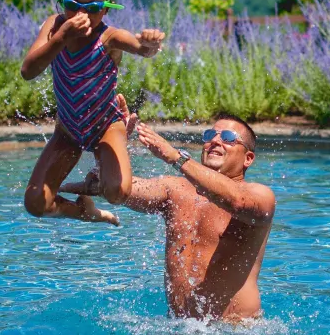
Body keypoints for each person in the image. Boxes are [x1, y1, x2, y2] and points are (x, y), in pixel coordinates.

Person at [63, 102, 277, 322]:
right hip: (181, 332)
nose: (215, 140)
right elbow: (118, 189)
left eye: (229, 138)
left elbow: (237, 202)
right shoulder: (174, 190)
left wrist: (176, 157)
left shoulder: (260, 195)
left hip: (237, 334)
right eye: (210, 134)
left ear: (248, 158)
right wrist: (114, 143)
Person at [20, 0, 166, 225]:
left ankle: (98, 178)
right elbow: (28, 70)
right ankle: (85, 212)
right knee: (35, 203)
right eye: (72, 5)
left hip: (106, 126)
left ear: (107, 7)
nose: (81, 15)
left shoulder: (110, 38)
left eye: (93, 8)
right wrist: (61, 38)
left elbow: (142, 49)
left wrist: (150, 43)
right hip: (68, 130)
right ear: (61, 0)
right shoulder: (54, 27)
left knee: (118, 193)